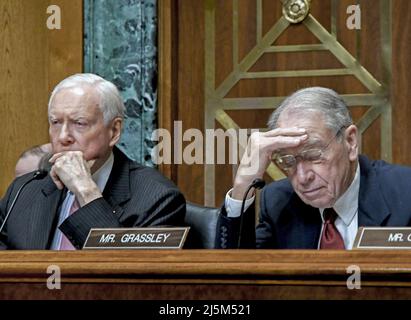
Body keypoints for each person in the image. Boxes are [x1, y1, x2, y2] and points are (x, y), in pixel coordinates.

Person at [0, 73, 185, 249]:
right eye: (55, 122)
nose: (63, 137)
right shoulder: (23, 191)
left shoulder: (157, 198)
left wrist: (85, 190)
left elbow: (127, 273)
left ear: (114, 131)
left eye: (79, 123)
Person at [216, 86, 411, 250]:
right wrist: (242, 186)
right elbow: (234, 283)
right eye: (288, 161)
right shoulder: (279, 203)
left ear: (350, 141)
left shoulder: (405, 193)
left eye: (313, 155)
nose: (302, 177)